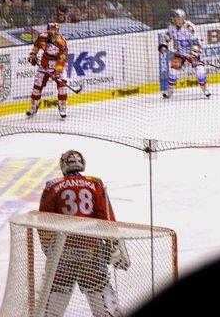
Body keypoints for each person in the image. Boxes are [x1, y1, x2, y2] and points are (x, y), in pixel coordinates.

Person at [38, 150, 130, 317]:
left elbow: (44, 223)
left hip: (63, 251)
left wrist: (49, 250)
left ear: (63, 166)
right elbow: (105, 218)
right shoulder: (95, 184)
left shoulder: (52, 186)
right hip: (92, 250)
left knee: (54, 299)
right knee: (99, 291)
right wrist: (114, 245)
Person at [158, 9, 210, 99]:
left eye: (179, 18)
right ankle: (169, 91)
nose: (178, 20)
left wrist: (195, 50)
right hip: (179, 54)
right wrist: (163, 46)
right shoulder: (171, 27)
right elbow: (167, 38)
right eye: (176, 18)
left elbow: (197, 41)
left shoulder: (190, 27)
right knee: (173, 72)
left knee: (200, 70)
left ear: (183, 18)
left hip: (191, 53)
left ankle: (205, 89)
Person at [26, 22, 69, 119]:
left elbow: (62, 58)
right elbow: (36, 46)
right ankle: (34, 106)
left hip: (58, 65)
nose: (50, 31)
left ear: (57, 31)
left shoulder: (61, 42)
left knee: (62, 88)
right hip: (44, 65)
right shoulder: (41, 37)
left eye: (52, 30)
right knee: (36, 88)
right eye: (49, 29)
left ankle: (62, 107)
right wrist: (32, 55)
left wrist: (57, 71)